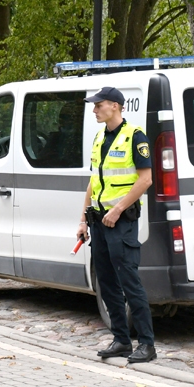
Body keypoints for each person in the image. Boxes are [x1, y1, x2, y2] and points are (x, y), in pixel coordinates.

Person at [76, 86, 156, 363]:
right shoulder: (100, 138)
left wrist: (118, 209)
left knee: (129, 282)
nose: (94, 110)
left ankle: (146, 344)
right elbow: (93, 182)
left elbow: (145, 179)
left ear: (115, 106)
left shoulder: (135, 136)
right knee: (107, 283)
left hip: (121, 223)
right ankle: (121, 340)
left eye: (98, 105)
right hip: (99, 222)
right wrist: (83, 220)